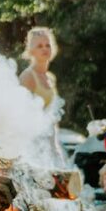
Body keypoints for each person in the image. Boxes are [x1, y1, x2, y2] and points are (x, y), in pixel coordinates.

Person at [17, 27, 65, 163]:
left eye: (47, 45)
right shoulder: (28, 77)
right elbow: (20, 115)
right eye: (39, 46)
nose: (44, 49)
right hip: (33, 139)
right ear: (31, 50)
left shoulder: (50, 77)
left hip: (50, 136)